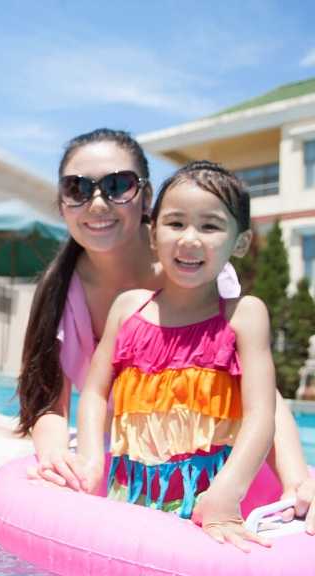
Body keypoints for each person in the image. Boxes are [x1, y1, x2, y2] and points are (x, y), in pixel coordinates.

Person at [18, 128, 315, 535]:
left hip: (206, 458)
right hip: (131, 461)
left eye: (117, 184)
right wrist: (67, 462)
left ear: (144, 195)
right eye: (77, 187)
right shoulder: (63, 289)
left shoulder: (210, 281)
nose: (98, 201)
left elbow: (259, 396)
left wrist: (297, 478)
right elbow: (52, 401)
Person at [73, 161, 274, 551]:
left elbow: (262, 413)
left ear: (240, 243)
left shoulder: (243, 316)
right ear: (152, 235)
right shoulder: (127, 309)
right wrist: (89, 458)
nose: (190, 239)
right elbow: (96, 393)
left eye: (211, 226)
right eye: (176, 223)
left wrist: (227, 492)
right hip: (129, 497)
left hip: (209, 507)